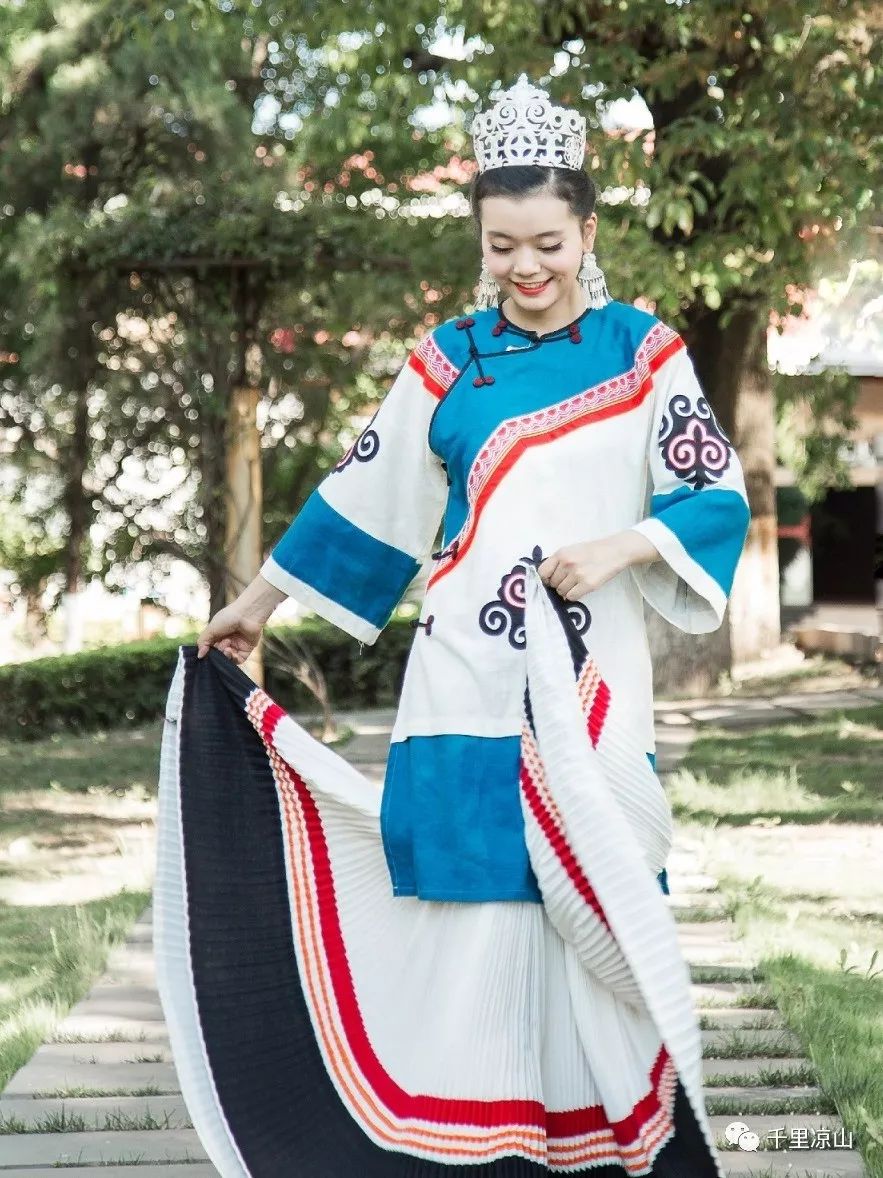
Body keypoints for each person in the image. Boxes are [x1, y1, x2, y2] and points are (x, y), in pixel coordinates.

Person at [157, 74, 750, 1176]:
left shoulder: (644, 351)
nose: (526, 268)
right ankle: (480, 1145)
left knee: (596, 897)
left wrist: (617, 547)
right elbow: (364, 493)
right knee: (480, 908)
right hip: (465, 671)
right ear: (478, 240)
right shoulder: (448, 358)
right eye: (501, 246)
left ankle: (606, 1142)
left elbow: (712, 495)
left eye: (547, 245)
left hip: (590, 677)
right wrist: (256, 602)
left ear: (587, 231)